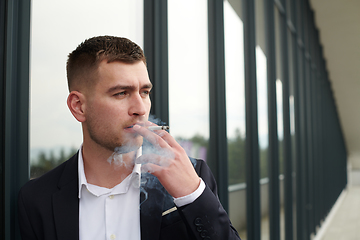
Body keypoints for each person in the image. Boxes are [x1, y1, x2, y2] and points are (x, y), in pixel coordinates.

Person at [18, 36, 241, 240]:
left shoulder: (192, 175)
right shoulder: (37, 199)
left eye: (144, 92)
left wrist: (192, 195)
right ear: (79, 106)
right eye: (121, 93)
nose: (140, 108)